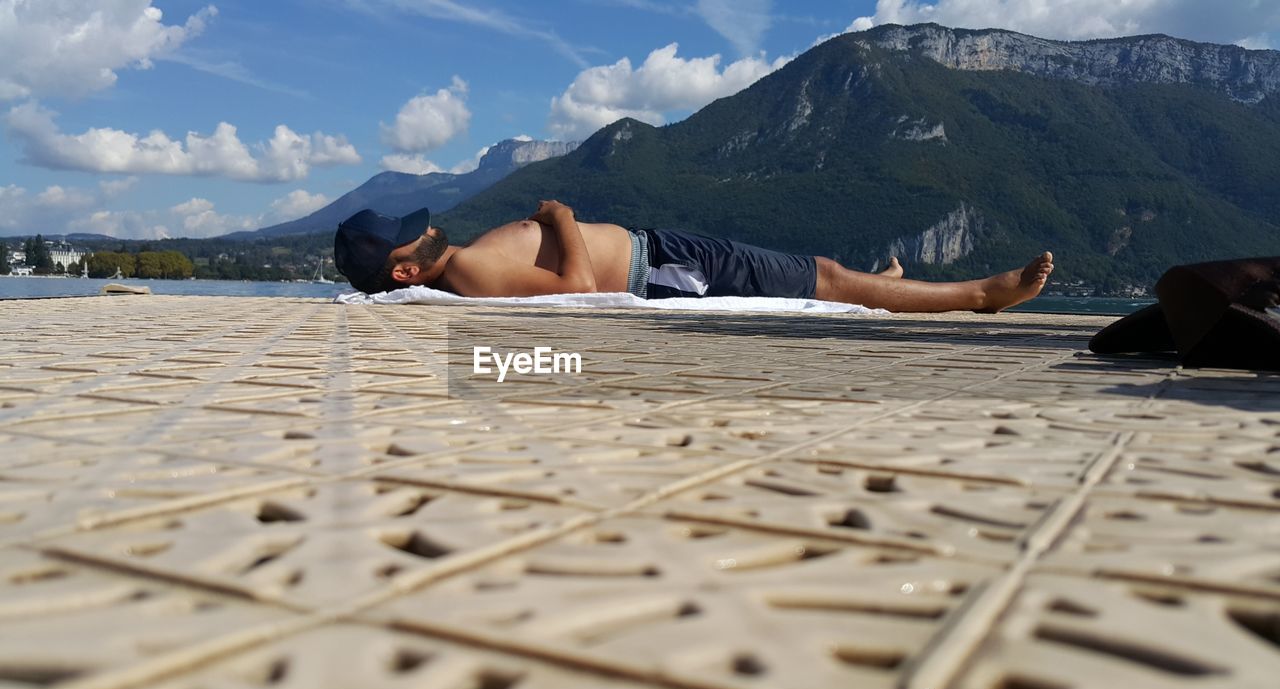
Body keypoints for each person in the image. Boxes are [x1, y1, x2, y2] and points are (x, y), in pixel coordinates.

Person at [334, 201, 1054, 313]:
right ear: (404, 271)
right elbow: (581, 288)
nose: (423, 230)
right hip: (671, 270)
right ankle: (979, 295)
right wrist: (559, 217)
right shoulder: (468, 270)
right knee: (827, 277)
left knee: (827, 270)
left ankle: (886, 283)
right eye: (409, 237)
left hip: (668, 256)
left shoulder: (463, 262)